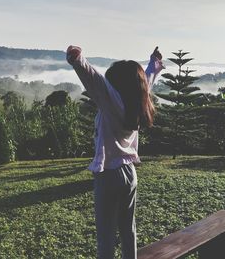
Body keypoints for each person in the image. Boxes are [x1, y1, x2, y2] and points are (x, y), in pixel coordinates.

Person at [66, 45, 165, 259]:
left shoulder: (111, 102)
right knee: (128, 230)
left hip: (109, 175)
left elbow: (94, 80)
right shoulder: (137, 103)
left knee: (106, 238)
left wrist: (78, 59)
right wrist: (153, 63)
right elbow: (146, 81)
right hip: (130, 174)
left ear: (115, 85)